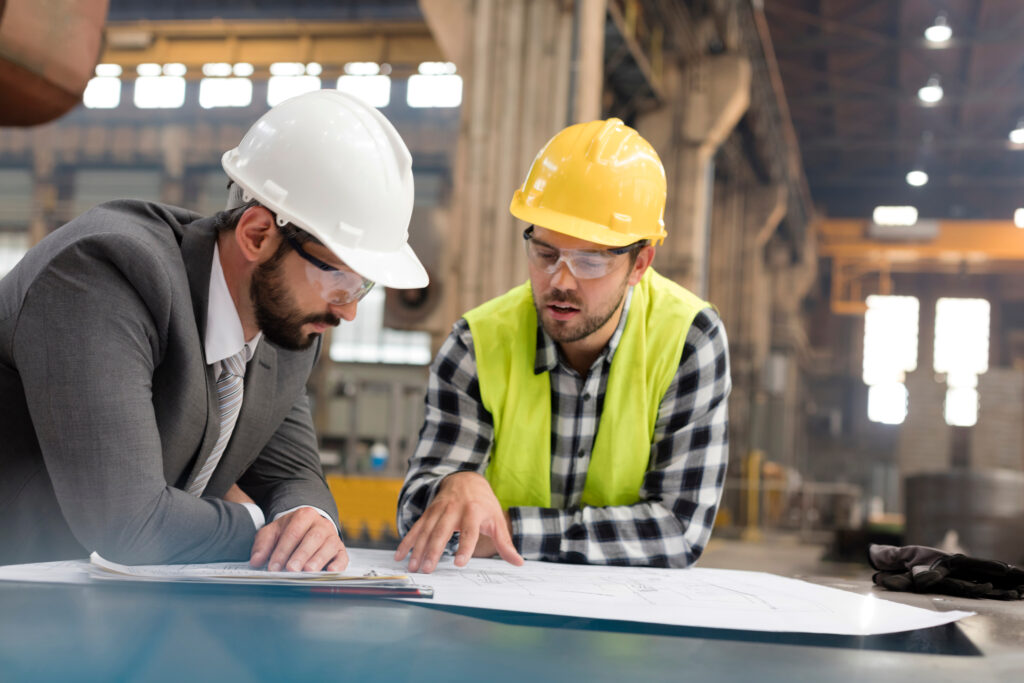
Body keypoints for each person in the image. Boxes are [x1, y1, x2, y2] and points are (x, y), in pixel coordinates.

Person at [0, 90, 428, 568]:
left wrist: (309, 520)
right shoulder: (102, 278)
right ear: (257, 235)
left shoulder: (283, 329)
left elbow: (295, 476)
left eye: (362, 286)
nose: (347, 312)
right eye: (339, 278)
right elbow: (127, 525)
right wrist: (260, 528)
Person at [395, 118, 730, 573]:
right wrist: (454, 486)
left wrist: (505, 530)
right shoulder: (477, 343)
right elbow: (418, 515)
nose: (561, 281)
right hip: (495, 628)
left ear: (640, 263)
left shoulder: (689, 340)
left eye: (590, 261)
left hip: (626, 631)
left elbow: (677, 531)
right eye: (546, 253)